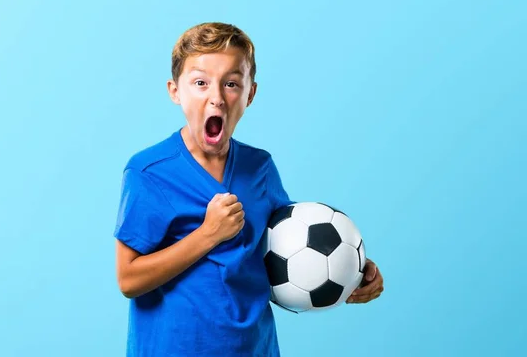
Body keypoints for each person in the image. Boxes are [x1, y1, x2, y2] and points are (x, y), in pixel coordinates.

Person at [113, 22, 384, 356]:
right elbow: (129, 279)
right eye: (200, 83)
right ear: (175, 91)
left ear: (249, 94)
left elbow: (288, 248)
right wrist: (207, 235)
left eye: (231, 83)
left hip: (255, 348)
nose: (216, 98)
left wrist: (351, 270)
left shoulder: (260, 168)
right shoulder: (149, 171)